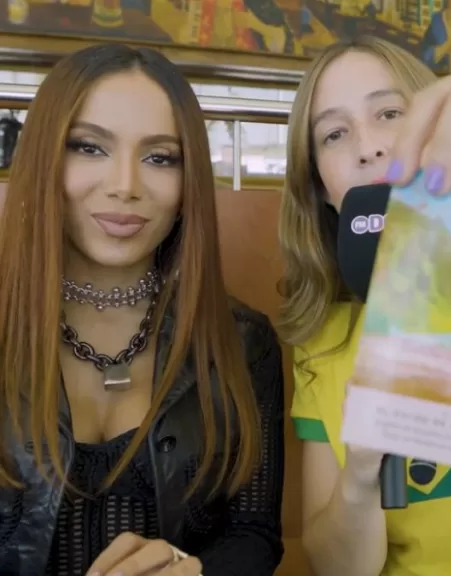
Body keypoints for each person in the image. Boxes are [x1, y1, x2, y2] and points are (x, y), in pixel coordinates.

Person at [0, 44, 285, 576]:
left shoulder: (242, 342)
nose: (125, 186)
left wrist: (192, 570)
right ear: (44, 158)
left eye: (160, 157)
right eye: (89, 147)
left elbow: (253, 534)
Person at [276, 36, 451, 576]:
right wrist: (360, 473)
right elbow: (334, 568)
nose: (369, 147)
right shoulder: (321, 341)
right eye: (335, 134)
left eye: (388, 113)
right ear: (322, 188)